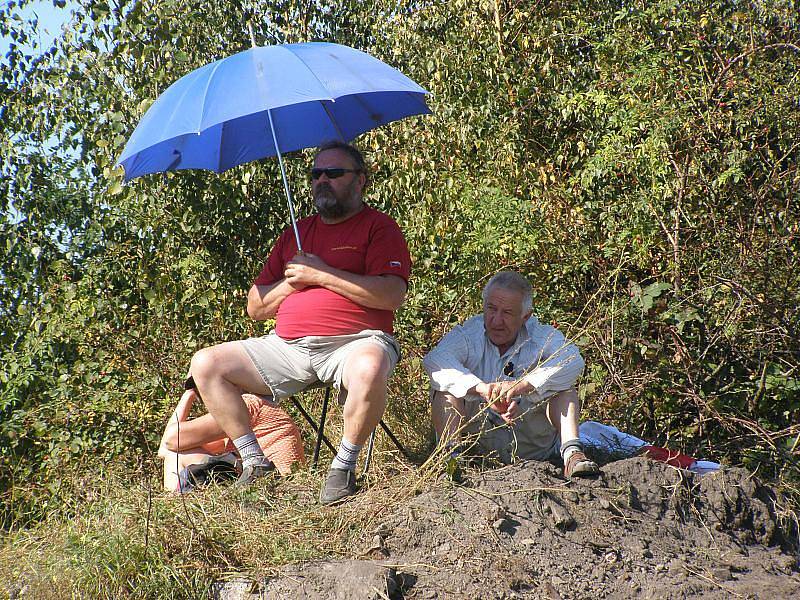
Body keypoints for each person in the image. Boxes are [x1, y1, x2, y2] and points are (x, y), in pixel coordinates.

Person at [188, 141, 411, 504]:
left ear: (361, 181)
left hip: (355, 343)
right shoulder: (295, 233)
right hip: (286, 347)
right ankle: (254, 461)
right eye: (316, 174)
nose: (322, 180)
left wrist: (323, 274)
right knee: (206, 363)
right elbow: (255, 307)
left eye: (334, 173)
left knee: (370, 368)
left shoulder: (379, 228)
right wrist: (291, 282)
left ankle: (343, 468)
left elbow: (390, 295)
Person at [423, 271, 599, 477]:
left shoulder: (541, 336)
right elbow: (435, 361)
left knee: (564, 390)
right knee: (444, 390)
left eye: (507, 312)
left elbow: (572, 361)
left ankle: (572, 455)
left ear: (526, 316)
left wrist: (522, 387)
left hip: (535, 448)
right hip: (477, 449)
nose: (496, 320)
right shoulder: (468, 334)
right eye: (491, 309)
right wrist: (482, 390)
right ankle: (451, 460)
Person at [158, 378, 306, 492]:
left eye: (207, 386)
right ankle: (179, 504)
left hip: (272, 481)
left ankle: (176, 504)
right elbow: (164, 450)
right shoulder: (239, 427)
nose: (205, 395)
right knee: (175, 453)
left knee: (176, 455)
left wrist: (188, 395)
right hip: (267, 481)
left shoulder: (248, 404)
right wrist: (190, 393)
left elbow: (171, 441)